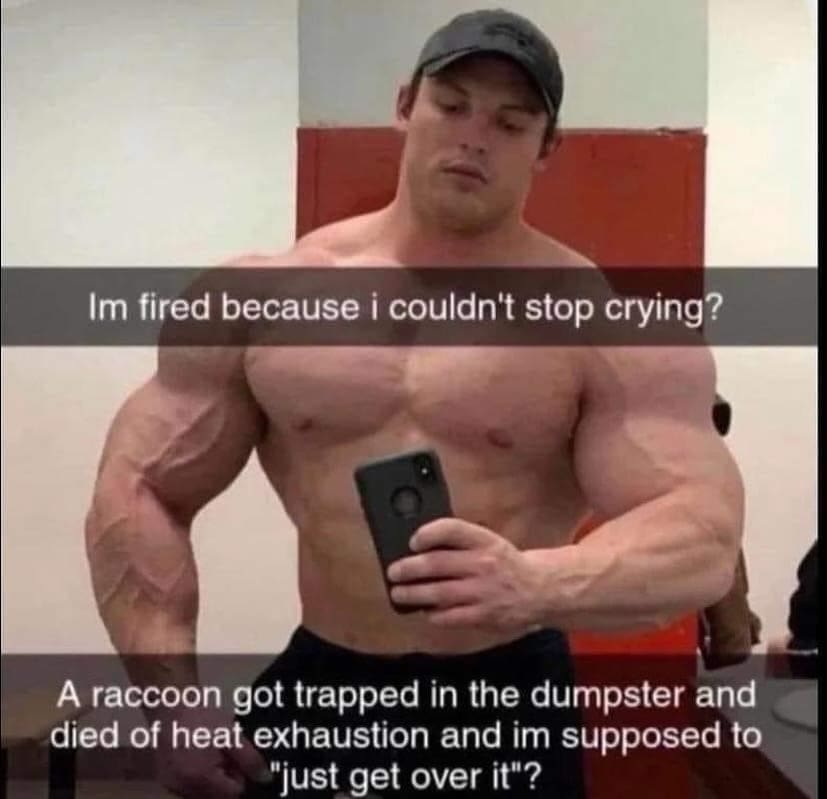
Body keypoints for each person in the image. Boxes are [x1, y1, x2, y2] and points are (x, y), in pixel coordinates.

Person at [84, 8, 744, 798]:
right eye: (452, 105)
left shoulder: (603, 326)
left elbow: (701, 529)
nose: (473, 137)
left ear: (545, 148)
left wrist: (537, 581)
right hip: (327, 679)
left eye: (509, 122)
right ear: (405, 105)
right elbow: (143, 486)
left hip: (505, 692)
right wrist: (171, 706)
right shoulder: (261, 297)